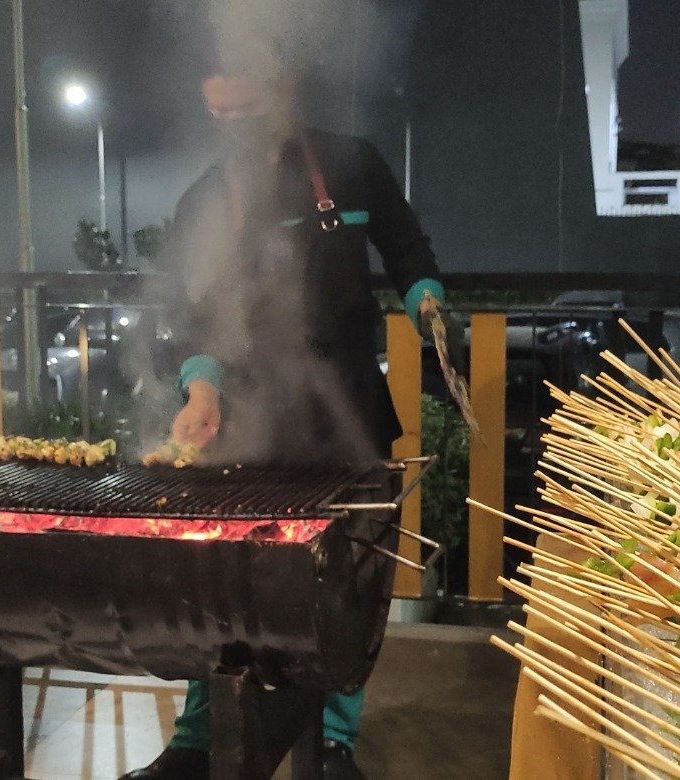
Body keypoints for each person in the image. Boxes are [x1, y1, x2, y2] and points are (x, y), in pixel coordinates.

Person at [120, 65, 445, 780]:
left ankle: (332, 739)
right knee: (217, 580)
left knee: (346, 583)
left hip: (346, 411)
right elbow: (194, 315)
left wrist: (424, 296)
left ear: (281, 94)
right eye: (217, 112)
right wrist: (201, 388)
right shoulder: (206, 198)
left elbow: (405, 245)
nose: (230, 124)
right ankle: (199, 739)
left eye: (244, 108)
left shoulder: (351, 164)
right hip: (247, 421)